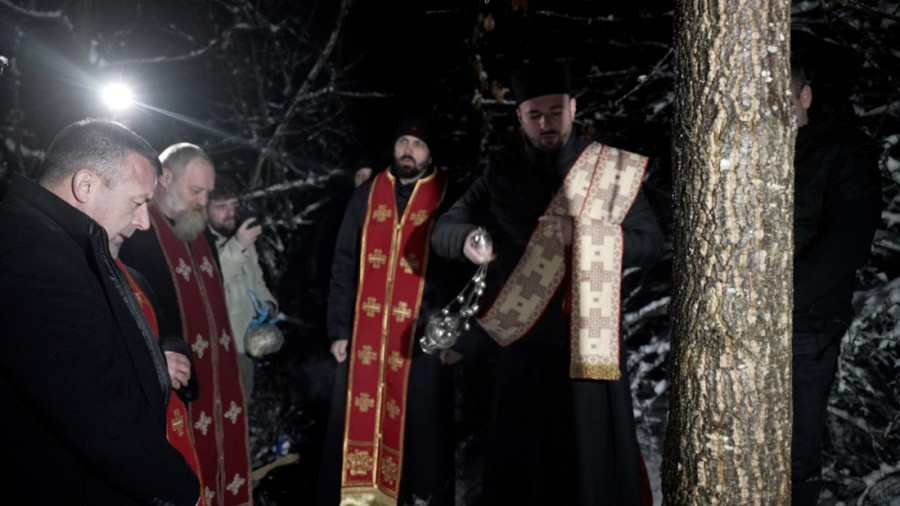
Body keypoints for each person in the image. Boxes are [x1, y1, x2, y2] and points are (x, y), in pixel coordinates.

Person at [431, 61, 664, 505]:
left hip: (588, 347)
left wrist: (587, 235)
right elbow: (446, 228)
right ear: (519, 117)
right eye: (534, 115)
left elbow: (652, 246)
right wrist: (469, 239)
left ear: (573, 108)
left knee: (587, 471)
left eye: (555, 111)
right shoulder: (500, 171)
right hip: (518, 345)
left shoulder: (608, 169)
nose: (546, 123)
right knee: (524, 473)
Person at [0, 118, 200, 505]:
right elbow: (100, 418)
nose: (144, 222)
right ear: (85, 185)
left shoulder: (62, 246)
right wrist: (182, 487)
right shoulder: (28, 255)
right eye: (138, 202)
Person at [315, 116, 459, 506]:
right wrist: (338, 330)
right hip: (363, 335)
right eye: (402, 143)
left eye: (417, 145)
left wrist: (454, 335)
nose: (407, 152)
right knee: (353, 421)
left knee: (421, 428)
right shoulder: (368, 193)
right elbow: (343, 262)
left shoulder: (447, 195)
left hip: (420, 339)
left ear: (430, 153)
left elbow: (459, 275)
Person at [119, 143, 252, 506]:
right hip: (169, 384)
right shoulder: (135, 232)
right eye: (197, 191)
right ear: (165, 178)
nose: (203, 201)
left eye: (208, 193)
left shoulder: (198, 230)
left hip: (216, 383)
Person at [789, 59, 882, 506]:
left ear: (804, 97)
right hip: (741, 320)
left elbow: (845, 244)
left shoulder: (844, 151)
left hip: (805, 328)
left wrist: (773, 304)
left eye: (780, 101)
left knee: (795, 457)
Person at [205, 174, 278, 398]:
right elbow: (209, 283)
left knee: (241, 417)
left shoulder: (242, 239)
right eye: (221, 207)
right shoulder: (199, 243)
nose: (231, 213)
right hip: (216, 354)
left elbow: (257, 281)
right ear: (205, 209)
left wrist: (269, 306)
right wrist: (238, 245)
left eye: (234, 205)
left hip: (245, 349)